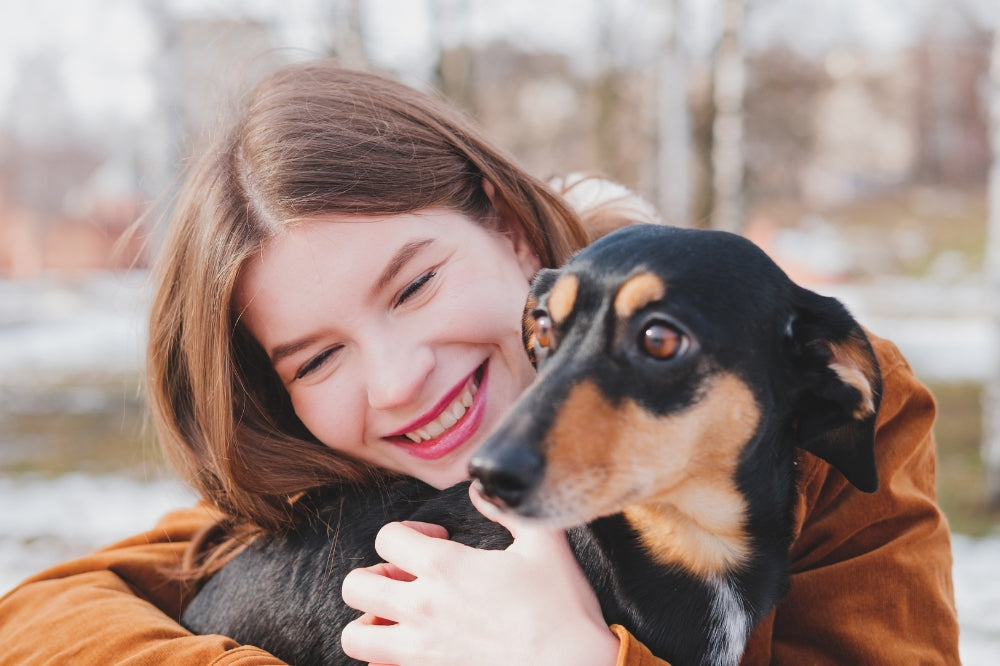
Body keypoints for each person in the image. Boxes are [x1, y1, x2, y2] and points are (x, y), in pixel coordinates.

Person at [0, 60, 960, 665]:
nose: (399, 381)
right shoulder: (336, 469)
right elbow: (38, 617)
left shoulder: (800, 387)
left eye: (413, 287)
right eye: (318, 358)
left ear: (505, 229)